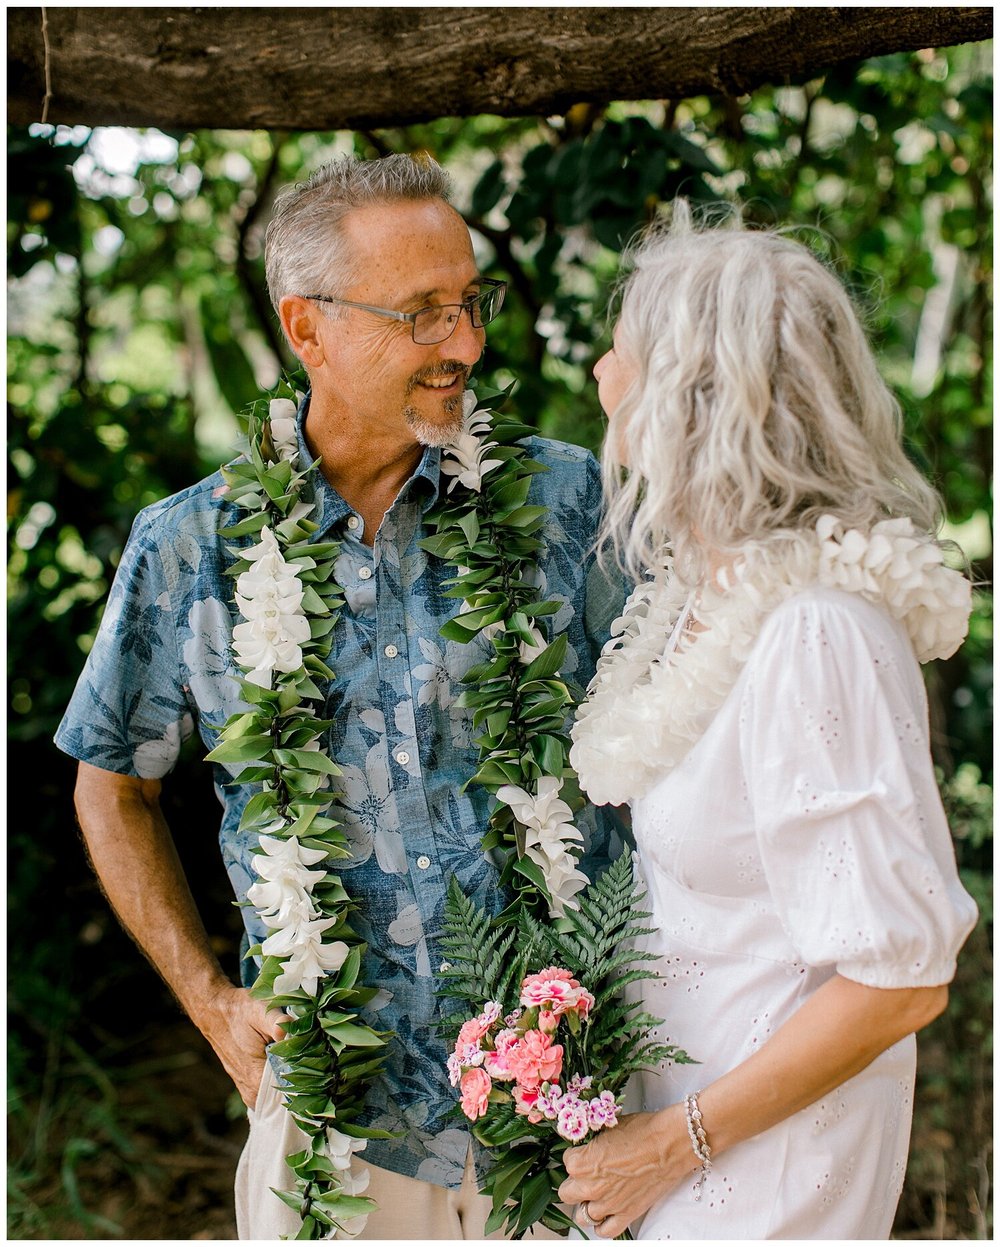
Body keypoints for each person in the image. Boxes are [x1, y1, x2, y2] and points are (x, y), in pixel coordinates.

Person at [55, 153, 623, 1240]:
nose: (463, 343)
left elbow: (691, 741)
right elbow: (110, 783)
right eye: (420, 314)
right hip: (334, 1127)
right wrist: (210, 1000)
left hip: (575, 1108)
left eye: (471, 303)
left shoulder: (568, 500)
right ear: (305, 328)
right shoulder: (192, 548)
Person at [562, 205, 979, 1240]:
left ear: (689, 395)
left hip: (771, 1169)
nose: (602, 371)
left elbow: (898, 978)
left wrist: (673, 1144)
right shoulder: (705, 602)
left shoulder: (815, 634)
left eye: (627, 346)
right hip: (686, 1131)